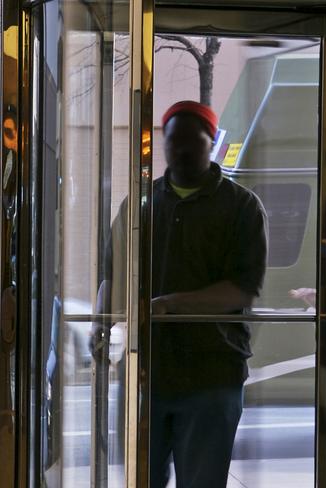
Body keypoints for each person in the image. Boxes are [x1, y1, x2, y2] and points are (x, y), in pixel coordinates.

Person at [95, 100, 267, 487]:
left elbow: (242, 289)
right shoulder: (139, 204)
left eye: (195, 141)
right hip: (147, 372)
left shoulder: (242, 207)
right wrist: (100, 321)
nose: (183, 150)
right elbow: (113, 275)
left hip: (213, 375)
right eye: (174, 142)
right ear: (164, 144)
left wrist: (172, 304)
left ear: (212, 144)